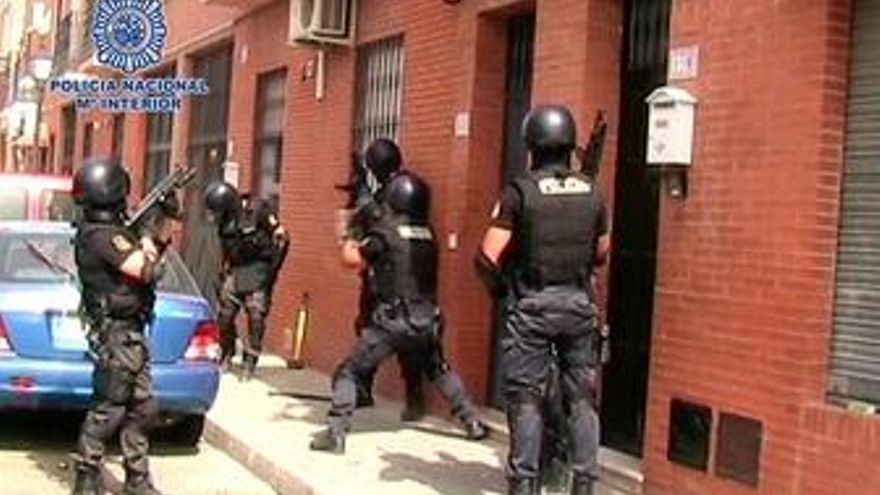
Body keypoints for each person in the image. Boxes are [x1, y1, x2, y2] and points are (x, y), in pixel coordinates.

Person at [475, 105, 610, 495]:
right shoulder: (593, 192)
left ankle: (524, 483)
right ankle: (584, 483)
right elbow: (602, 252)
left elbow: (486, 258)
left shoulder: (519, 192)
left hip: (532, 305)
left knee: (527, 399)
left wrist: (504, 292)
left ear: (531, 144)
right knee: (582, 398)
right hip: (579, 304)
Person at [310, 171, 489, 454]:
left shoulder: (385, 233)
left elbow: (350, 260)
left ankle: (336, 433)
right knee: (438, 369)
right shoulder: (429, 234)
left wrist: (352, 233)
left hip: (394, 321)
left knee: (349, 372)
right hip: (428, 319)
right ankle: (472, 421)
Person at [70, 158, 181, 495]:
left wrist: (165, 217)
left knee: (143, 409)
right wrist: (145, 237)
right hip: (117, 335)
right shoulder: (100, 235)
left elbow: (158, 247)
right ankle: (87, 476)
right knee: (109, 408)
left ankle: (137, 479)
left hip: (131, 333)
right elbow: (146, 270)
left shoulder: (113, 232)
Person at [349, 138, 426, 421]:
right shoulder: (413, 187)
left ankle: (363, 389)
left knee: (369, 331)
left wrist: (361, 194)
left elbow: (375, 221)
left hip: (385, 273)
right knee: (412, 338)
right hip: (416, 274)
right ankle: (414, 398)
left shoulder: (390, 194)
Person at [204, 182, 289, 381]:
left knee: (255, 314)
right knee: (225, 315)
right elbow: (224, 247)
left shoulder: (257, 209)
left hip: (258, 268)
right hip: (237, 269)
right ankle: (227, 350)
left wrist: (272, 272)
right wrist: (222, 272)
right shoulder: (224, 221)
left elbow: (282, 237)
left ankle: (250, 359)